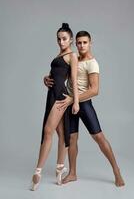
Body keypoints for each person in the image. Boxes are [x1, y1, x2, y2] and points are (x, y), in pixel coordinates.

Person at [45, 31, 125, 187]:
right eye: (79, 43)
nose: (81, 45)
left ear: (90, 43)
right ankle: (72, 173)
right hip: (68, 103)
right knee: (72, 139)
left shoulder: (92, 63)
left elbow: (94, 90)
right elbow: (60, 74)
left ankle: (116, 171)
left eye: (85, 42)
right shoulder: (73, 58)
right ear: (75, 43)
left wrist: (73, 99)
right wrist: (46, 78)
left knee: (99, 138)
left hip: (83, 104)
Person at [30, 23, 79, 191]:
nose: (61, 42)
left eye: (64, 39)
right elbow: (56, 74)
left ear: (71, 39)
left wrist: (76, 101)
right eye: (58, 39)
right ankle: (59, 168)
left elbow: (73, 79)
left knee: (48, 131)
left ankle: (38, 172)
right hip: (52, 93)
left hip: (60, 96)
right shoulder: (61, 53)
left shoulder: (72, 55)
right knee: (59, 132)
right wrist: (46, 77)